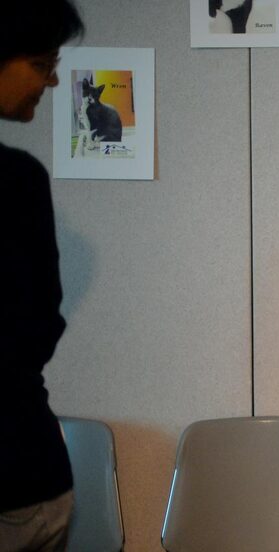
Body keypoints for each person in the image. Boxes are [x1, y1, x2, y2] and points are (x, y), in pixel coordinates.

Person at [0, 2, 84, 551]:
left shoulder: (19, 180)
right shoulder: (15, 182)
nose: (53, 79)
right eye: (40, 61)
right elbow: (35, 329)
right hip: (20, 470)